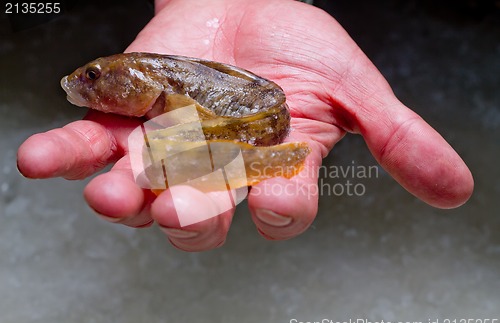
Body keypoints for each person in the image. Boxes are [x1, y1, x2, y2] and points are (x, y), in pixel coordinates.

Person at [17, 0, 473, 252]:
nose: (83, 85)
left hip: (256, 117)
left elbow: (178, 120)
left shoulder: (163, 94)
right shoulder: (154, 86)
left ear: (143, 83)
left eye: (94, 79)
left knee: (169, 171)